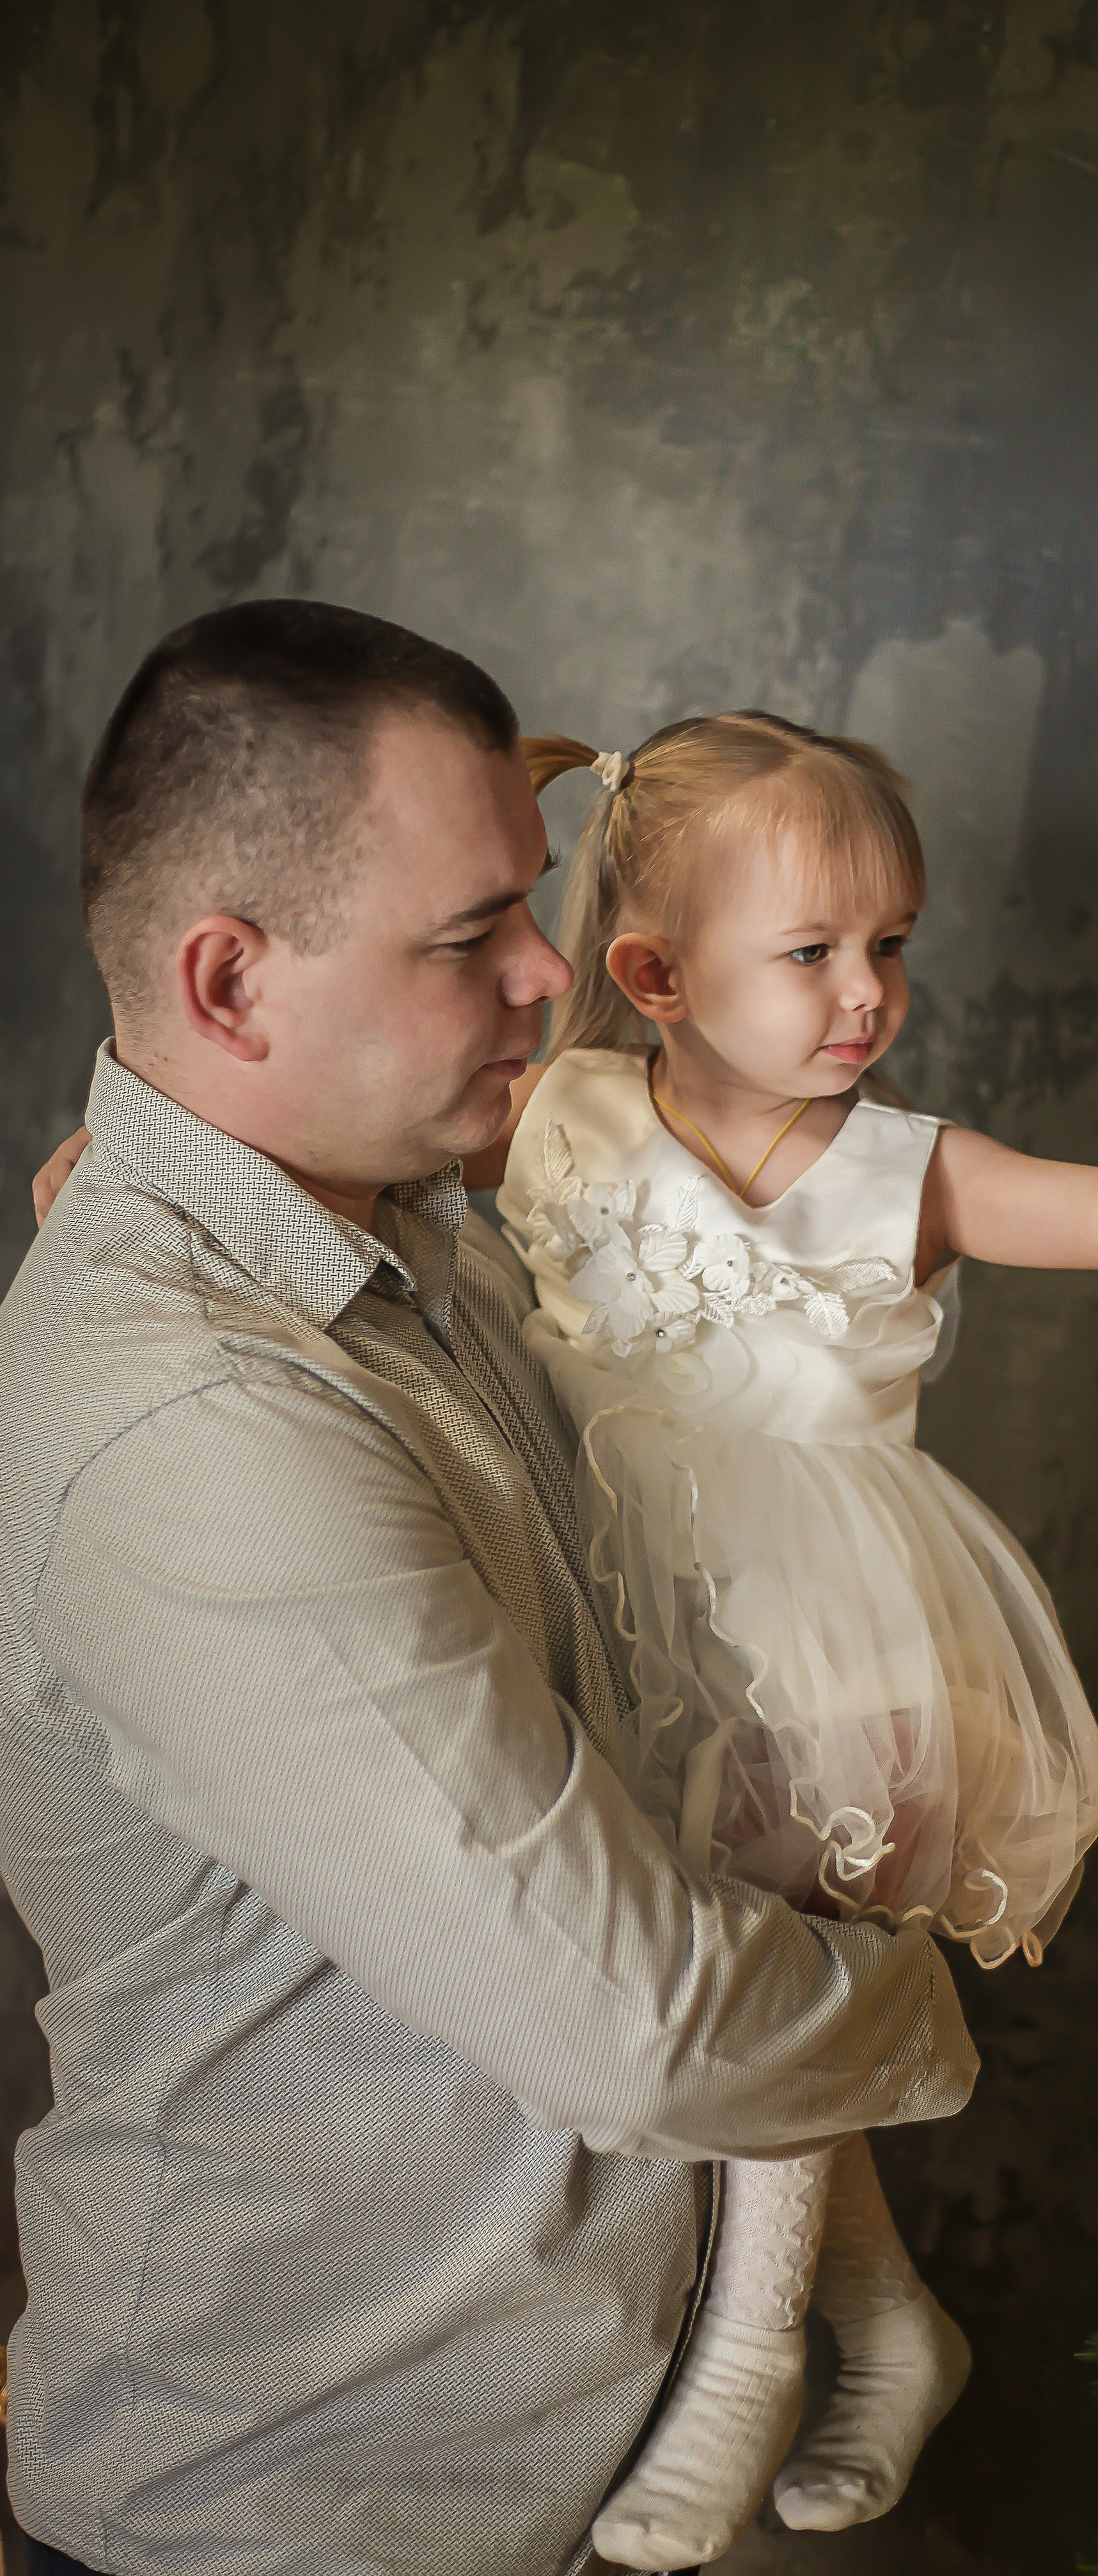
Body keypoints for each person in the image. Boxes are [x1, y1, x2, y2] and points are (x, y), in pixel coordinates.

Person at [1, 606, 978, 2576]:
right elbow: (650, 2032)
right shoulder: (195, 1411)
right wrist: (918, 1996)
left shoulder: (405, 1236)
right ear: (229, 981)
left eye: (528, 909)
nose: (552, 974)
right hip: (311, 2517)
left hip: (583, 2467)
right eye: (470, 940)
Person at [453, 712, 1098, 2573]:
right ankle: (896, 2315)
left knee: (785, 1961)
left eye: (893, 945)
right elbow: (352, 1115)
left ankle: (750, 2355)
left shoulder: (900, 1168)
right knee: (699, 1977)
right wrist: (127, 1162)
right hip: (625, 1621)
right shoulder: (554, 1113)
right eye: (814, 953)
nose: (868, 996)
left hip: (852, 1648)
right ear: (653, 976)